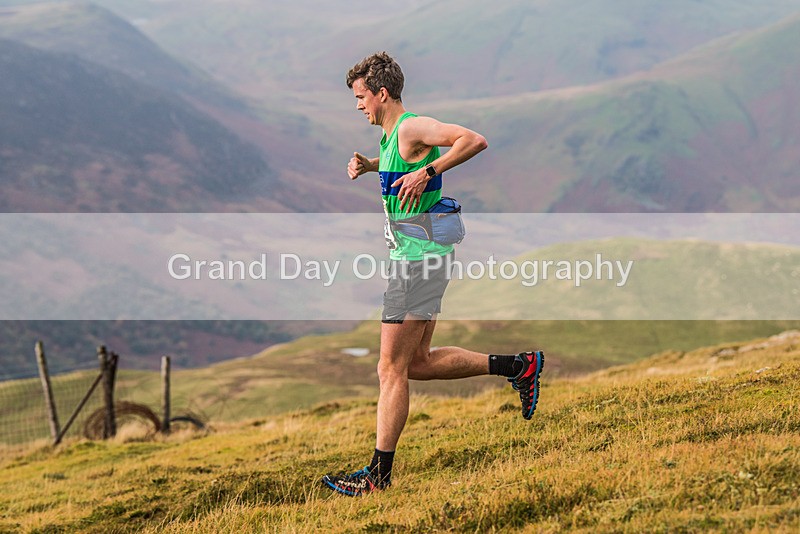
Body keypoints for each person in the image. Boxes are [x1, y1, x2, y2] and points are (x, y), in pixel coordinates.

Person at [321, 52, 544, 496]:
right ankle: (519, 366)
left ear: (382, 93)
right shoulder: (391, 139)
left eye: (362, 96)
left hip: (418, 261)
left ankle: (377, 478)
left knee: (390, 369)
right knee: (416, 364)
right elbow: (403, 172)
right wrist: (372, 167)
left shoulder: (410, 127)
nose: (358, 105)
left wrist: (430, 169)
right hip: (424, 256)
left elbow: (474, 139)